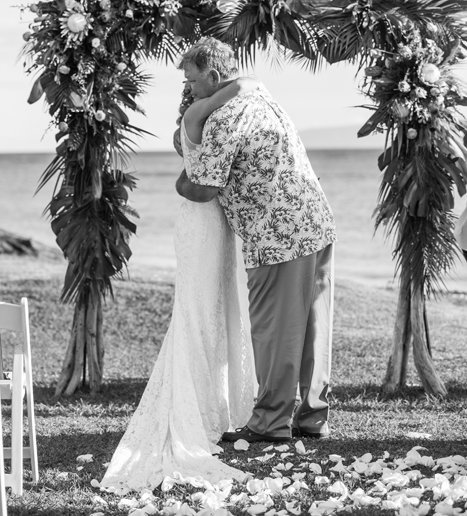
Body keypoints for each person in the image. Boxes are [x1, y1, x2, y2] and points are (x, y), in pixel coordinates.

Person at [99, 72, 258, 494]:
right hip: (201, 222)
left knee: (216, 307)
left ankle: (214, 400)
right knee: (196, 308)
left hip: (217, 222)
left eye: (191, 77)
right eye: (188, 79)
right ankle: (194, 403)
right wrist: (237, 80)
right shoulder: (198, 113)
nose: (188, 85)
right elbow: (241, 87)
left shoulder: (210, 117)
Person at [176, 36, 337, 443]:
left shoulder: (227, 114)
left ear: (213, 76)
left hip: (277, 233)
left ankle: (269, 421)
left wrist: (180, 180)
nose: (188, 88)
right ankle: (313, 417)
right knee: (314, 328)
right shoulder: (260, 96)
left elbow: (204, 187)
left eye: (192, 81)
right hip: (315, 221)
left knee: (275, 330)